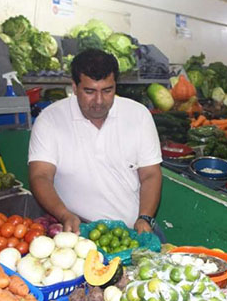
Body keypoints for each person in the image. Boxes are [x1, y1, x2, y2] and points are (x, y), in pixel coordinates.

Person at [28, 49, 163, 235]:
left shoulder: (138, 115)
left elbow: (150, 174)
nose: (99, 101)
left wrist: (145, 217)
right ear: (74, 88)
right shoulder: (50, 120)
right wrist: (64, 215)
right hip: (79, 230)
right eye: (89, 91)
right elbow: (40, 176)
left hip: (132, 230)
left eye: (107, 91)